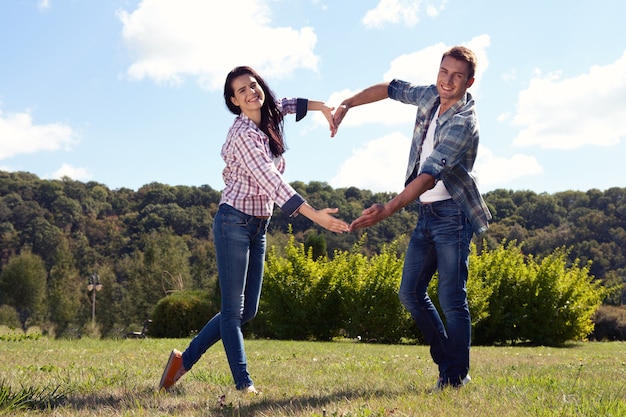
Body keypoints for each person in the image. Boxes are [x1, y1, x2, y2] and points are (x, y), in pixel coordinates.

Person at [159, 66, 349, 394]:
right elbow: (270, 180)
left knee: (247, 311)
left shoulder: (268, 113)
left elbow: (286, 103)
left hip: (258, 225)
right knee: (233, 312)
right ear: (234, 101)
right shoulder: (243, 134)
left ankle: (182, 361)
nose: (251, 92)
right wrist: (314, 215)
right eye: (242, 91)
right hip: (233, 222)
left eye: (253, 85)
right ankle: (243, 385)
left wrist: (322, 108)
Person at [332, 46, 491, 390]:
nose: (447, 81)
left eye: (457, 76)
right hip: (426, 214)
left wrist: (387, 209)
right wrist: (348, 103)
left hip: (452, 216)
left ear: (469, 81)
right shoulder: (430, 96)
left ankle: (454, 376)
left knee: (451, 298)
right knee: (409, 293)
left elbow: (429, 175)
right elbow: (390, 88)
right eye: (443, 72)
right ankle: (450, 367)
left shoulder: (464, 123)